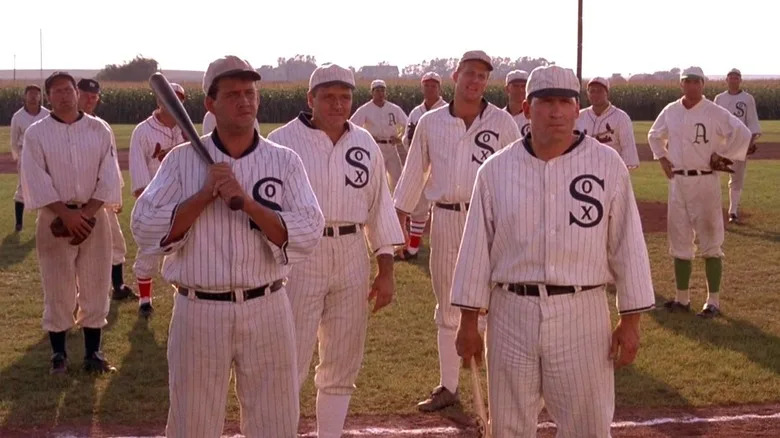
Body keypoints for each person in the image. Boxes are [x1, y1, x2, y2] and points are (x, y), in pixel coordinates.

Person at [452, 65, 655, 437]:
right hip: (511, 311)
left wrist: (631, 321)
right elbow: (476, 250)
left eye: (565, 101)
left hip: (583, 310)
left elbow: (628, 245)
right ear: (527, 109)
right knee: (509, 427)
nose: (556, 111)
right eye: (546, 102)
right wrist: (468, 322)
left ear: (577, 109)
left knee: (588, 428)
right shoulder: (496, 170)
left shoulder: (607, 165)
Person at [131, 55, 324, 438]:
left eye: (250, 92)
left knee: (276, 423)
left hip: (267, 306)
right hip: (199, 309)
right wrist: (204, 194)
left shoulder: (283, 161)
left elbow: (308, 229)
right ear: (210, 104)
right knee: (193, 423)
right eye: (233, 93)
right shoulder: (181, 161)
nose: (245, 101)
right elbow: (146, 227)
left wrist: (249, 203)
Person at [267, 63, 404, 438]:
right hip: (300, 253)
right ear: (311, 98)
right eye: (328, 97)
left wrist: (386, 269)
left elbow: (380, 207)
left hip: (351, 252)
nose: (337, 104)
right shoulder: (282, 141)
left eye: (345, 97)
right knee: (289, 357)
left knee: (343, 358)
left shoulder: (364, 143)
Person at [393, 50, 520, 411]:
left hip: (493, 219)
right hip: (447, 216)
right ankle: (449, 386)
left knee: (495, 302)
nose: (475, 80)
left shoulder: (502, 123)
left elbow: (517, 172)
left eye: (482, 75)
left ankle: (499, 386)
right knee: (448, 301)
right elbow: (413, 173)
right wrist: (399, 218)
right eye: (470, 73)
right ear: (456, 76)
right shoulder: (431, 122)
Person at [21, 71, 122, 375]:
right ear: (49, 96)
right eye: (57, 91)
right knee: (58, 285)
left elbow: (109, 175)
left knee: (96, 282)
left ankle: (93, 353)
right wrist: (66, 215)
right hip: (55, 217)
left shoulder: (99, 129)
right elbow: (35, 178)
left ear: (77, 93)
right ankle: (58, 354)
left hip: (94, 216)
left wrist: (87, 214)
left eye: (68, 89)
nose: (63, 95)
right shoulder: (37, 133)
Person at [648, 66, 751, 319]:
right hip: (678, 182)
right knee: (679, 239)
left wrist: (724, 155)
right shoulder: (671, 111)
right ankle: (682, 299)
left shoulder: (713, 111)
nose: (692, 85)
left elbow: (742, 133)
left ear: (703, 84)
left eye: (696, 81)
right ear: (681, 84)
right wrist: (662, 158)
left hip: (705, 182)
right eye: (687, 81)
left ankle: (712, 302)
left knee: (710, 240)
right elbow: (654, 134)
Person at [128, 82, 188, 317]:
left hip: (183, 202)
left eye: (179, 99)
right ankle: (145, 300)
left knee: (184, 249)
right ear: (159, 101)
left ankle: (182, 296)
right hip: (154, 201)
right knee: (148, 251)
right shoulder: (143, 131)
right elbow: (138, 168)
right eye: (168, 98)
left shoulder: (185, 129)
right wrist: (144, 201)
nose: (174, 102)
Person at [76, 78, 135, 300]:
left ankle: (118, 287)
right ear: (76, 94)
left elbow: (111, 165)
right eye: (85, 96)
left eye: (94, 97)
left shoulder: (102, 125)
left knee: (116, 243)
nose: (90, 100)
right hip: (77, 201)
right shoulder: (62, 127)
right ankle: (77, 293)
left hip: (101, 199)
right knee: (77, 248)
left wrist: (115, 198)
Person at [395, 71, 446, 261]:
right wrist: (412, 140)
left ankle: (442, 244)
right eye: (427, 85)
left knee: (444, 204)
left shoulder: (448, 110)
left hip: (441, 163)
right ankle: (414, 247)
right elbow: (407, 139)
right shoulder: (416, 112)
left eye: (434, 85)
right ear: (422, 87)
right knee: (418, 204)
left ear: (440, 88)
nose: (430, 88)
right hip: (421, 162)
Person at [713, 68, 762, 224]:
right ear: (726, 80)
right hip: (721, 142)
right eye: (731, 77)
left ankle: (732, 211)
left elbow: (752, 120)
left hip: (740, 141)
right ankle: (712, 210)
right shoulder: (719, 98)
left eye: (736, 78)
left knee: (736, 177)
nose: (733, 80)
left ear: (740, 80)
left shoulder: (747, 99)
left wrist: (751, 141)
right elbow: (713, 122)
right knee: (713, 174)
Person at [350, 79, 408, 190]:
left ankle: (395, 206)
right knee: (375, 179)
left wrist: (400, 138)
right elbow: (352, 126)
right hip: (374, 147)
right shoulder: (365, 109)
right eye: (377, 90)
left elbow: (408, 124)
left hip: (391, 148)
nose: (380, 93)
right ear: (372, 92)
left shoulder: (394, 109)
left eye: (382, 90)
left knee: (398, 178)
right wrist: (364, 139)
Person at [9, 84, 49, 232]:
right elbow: (14, 140)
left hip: (45, 156)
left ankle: (43, 221)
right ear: (25, 97)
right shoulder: (18, 117)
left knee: (45, 186)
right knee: (22, 188)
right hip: (25, 155)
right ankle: (19, 223)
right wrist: (17, 158)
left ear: (40, 97)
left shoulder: (47, 114)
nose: (33, 97)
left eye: (36, 94)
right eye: (30, 94)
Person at [577, 77, 640, 169]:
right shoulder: (579, 116)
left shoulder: (621, 117)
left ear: (607, 93)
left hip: (611, 170)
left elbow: (628, 149)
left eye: (599, 91)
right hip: (583, 170)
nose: (595, 94)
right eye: (592, 91)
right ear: (587, 93)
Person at [503, 69, 530, 136]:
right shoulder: (498, 117)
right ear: (507, 89)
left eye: (523, 86)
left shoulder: (535, 117)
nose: (520, 90)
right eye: (515, 86)